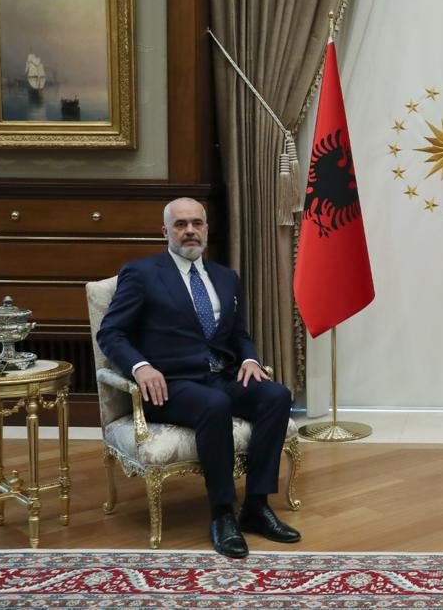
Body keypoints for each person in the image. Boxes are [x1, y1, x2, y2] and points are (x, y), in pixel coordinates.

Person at [97, 197, 300, 559]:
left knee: (276, 395)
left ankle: (256, 506)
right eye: (180, 224)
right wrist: (141, 367)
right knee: (215, 404)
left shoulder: (226, 277)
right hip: (169, 386)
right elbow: (111, 332)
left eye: (197, 223)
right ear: (165, 231)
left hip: (220, 376)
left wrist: (249, 358)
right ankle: (222, 514)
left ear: (206, 228)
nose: (190, 230)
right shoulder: (142, 274)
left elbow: (238, 333)